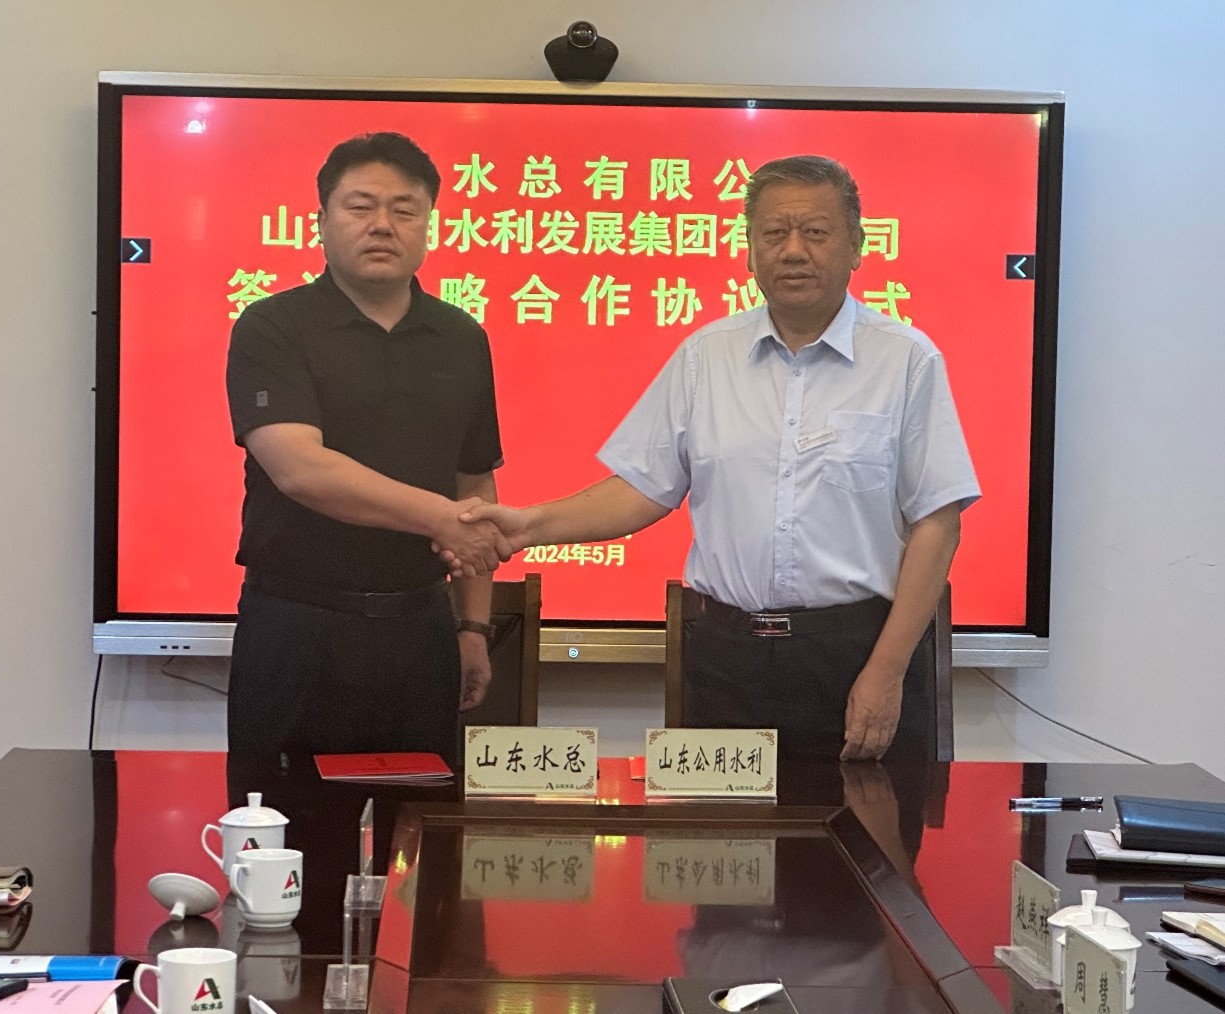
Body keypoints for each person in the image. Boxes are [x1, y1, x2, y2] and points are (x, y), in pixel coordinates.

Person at [453, 155, 980, 761]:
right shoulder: (706, 356)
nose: (793, 250)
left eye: (815, 232)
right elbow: (642, 489)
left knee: (868, 822)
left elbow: (938, 522)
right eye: (774, 232)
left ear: (858, 246)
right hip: (727, 659)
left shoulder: (906, 359)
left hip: (858, 649)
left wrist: (887, 671)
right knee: (722, 825)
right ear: (750, 250)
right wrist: (527, 527)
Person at [225, 132, 510, 762]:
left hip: (421, 628)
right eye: (360, 206)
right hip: (297, 625)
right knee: (284, 813)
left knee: (417, 815)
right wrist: (439, 517)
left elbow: (474, 486)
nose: (383, 224)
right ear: (320, 221)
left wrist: (472, 626)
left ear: (428, 226)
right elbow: (301, 469)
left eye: (405, 210)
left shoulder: (461, 337)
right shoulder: (273, 326)